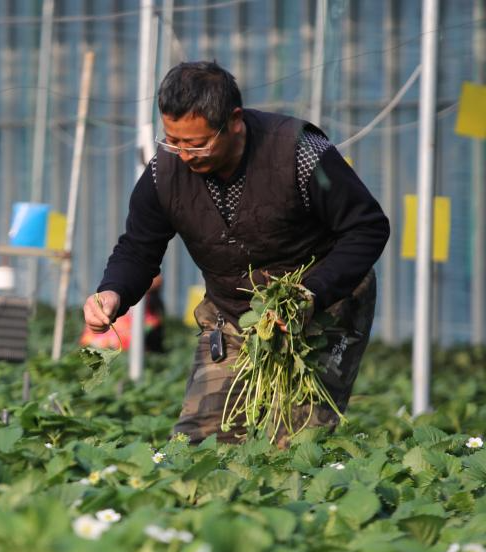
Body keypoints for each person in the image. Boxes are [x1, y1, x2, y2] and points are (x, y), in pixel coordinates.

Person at [84, 62, 389, 444]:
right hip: (235, 315)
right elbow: (138, 248)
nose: (183, 155)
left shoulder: (300, 153)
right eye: (172, 140)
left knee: (294, 443)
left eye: (196, 144)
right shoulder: (164, 172)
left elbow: (367, 227)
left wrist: (311, 293)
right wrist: (113, 290)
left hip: (323, 308)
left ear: (235, 121)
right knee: (202, 443)